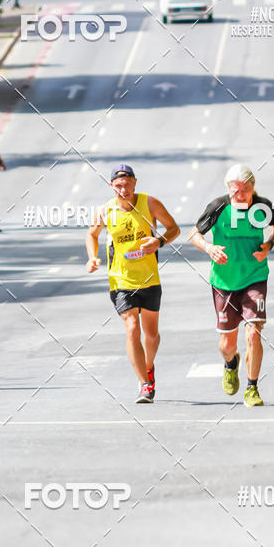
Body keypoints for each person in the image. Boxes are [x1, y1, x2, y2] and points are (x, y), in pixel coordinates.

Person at [189, 164, 274, 407]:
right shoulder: (218, 207)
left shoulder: (263, 206)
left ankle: (252, 388)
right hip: (224, 281)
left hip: (255, 276)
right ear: (228, 190)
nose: (240, 195)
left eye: (246, 189)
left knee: (254, 332)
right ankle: (231, 363)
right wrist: (209, 248)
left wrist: (269, 245)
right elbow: (193, 234)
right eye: (235, 191)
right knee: (227, 344)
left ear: (253, 187)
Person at [86, 164, 179, 403]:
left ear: (135, 183)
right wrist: (92, 257)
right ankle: (145, 385)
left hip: (149, 279)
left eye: (127, 184)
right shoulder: (106, 211)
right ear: (111, 186)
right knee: (131, 329)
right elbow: (92, 235)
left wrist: (158, 242)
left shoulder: (150, 203)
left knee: (152, 335)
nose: (123, 189)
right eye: (118, 186)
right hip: (121, 280)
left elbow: (174, 229)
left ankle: (148, 366)